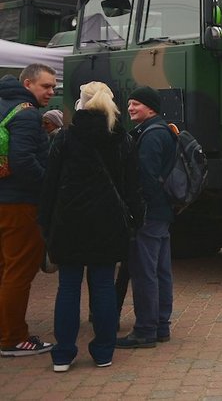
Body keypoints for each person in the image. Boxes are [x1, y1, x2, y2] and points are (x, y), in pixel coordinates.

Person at [38, 82, 142, 371]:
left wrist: (45, 223)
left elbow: (50, 185)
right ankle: (103, 351)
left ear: (80, 104)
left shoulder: (64, 138)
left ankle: (63, 353)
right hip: (108, 222)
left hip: (68, 221)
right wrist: (136, 219)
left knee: (68, 288)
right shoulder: (122, 139)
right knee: (104, 287)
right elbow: (132, 187)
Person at [0, 64, 56, 357]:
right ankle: (13, 338)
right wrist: (47, 186)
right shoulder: (26, 114)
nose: (51, 92)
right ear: (28, 84)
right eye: (46, 86)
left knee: (4, 269)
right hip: (20, 204)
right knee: (19, 271)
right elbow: (23, 161)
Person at [117, 86, 176, 349]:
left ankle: (145, 330)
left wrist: (139, 208)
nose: (130, 108)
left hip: (149, 214)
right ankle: (161, 325)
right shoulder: (163, 131)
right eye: (129, 104)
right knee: (161, 271)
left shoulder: (151, 135)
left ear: (150, 108)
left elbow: (147, 177)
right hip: (162, 212)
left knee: (144, 272)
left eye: (136, 104)